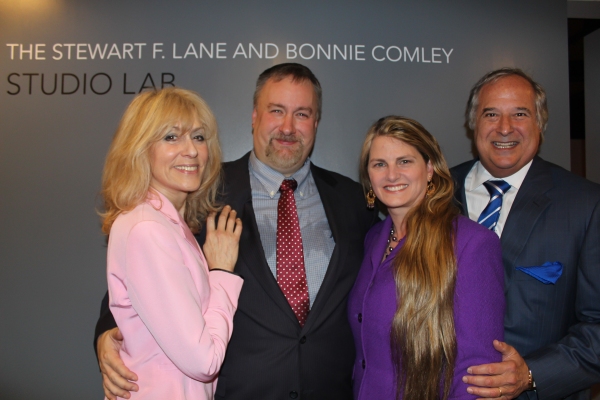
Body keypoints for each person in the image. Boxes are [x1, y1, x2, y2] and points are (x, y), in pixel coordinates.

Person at [95, 63, 377, 399]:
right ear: (255, 116)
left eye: (302, 114)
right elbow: (138, 284)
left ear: (316, 123)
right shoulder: (201, 191)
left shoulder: (352, 199)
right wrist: (107, 335)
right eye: (276, 111)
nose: (288, 127)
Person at [454, 68, 600, 399]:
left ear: (540, 124)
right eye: (491, 114)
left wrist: (532, 374)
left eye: (520, 114)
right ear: (473, 123)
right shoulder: (433, 196)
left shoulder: (586, 205)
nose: (504, 128)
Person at [99, 87, 243, 399]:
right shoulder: (147, 229)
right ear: (140, 149)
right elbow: (204, 361)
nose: (191, 150)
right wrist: (221, 273)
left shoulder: (167, 225)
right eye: (171, 137)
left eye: (199, 137)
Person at [348, 116, 505, 399]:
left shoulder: (471, 244)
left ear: (430, 169)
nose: (391, 175)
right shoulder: (373, 238)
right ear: (369, 176)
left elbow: (477, 377)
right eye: (379, 164)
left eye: (405, 161)